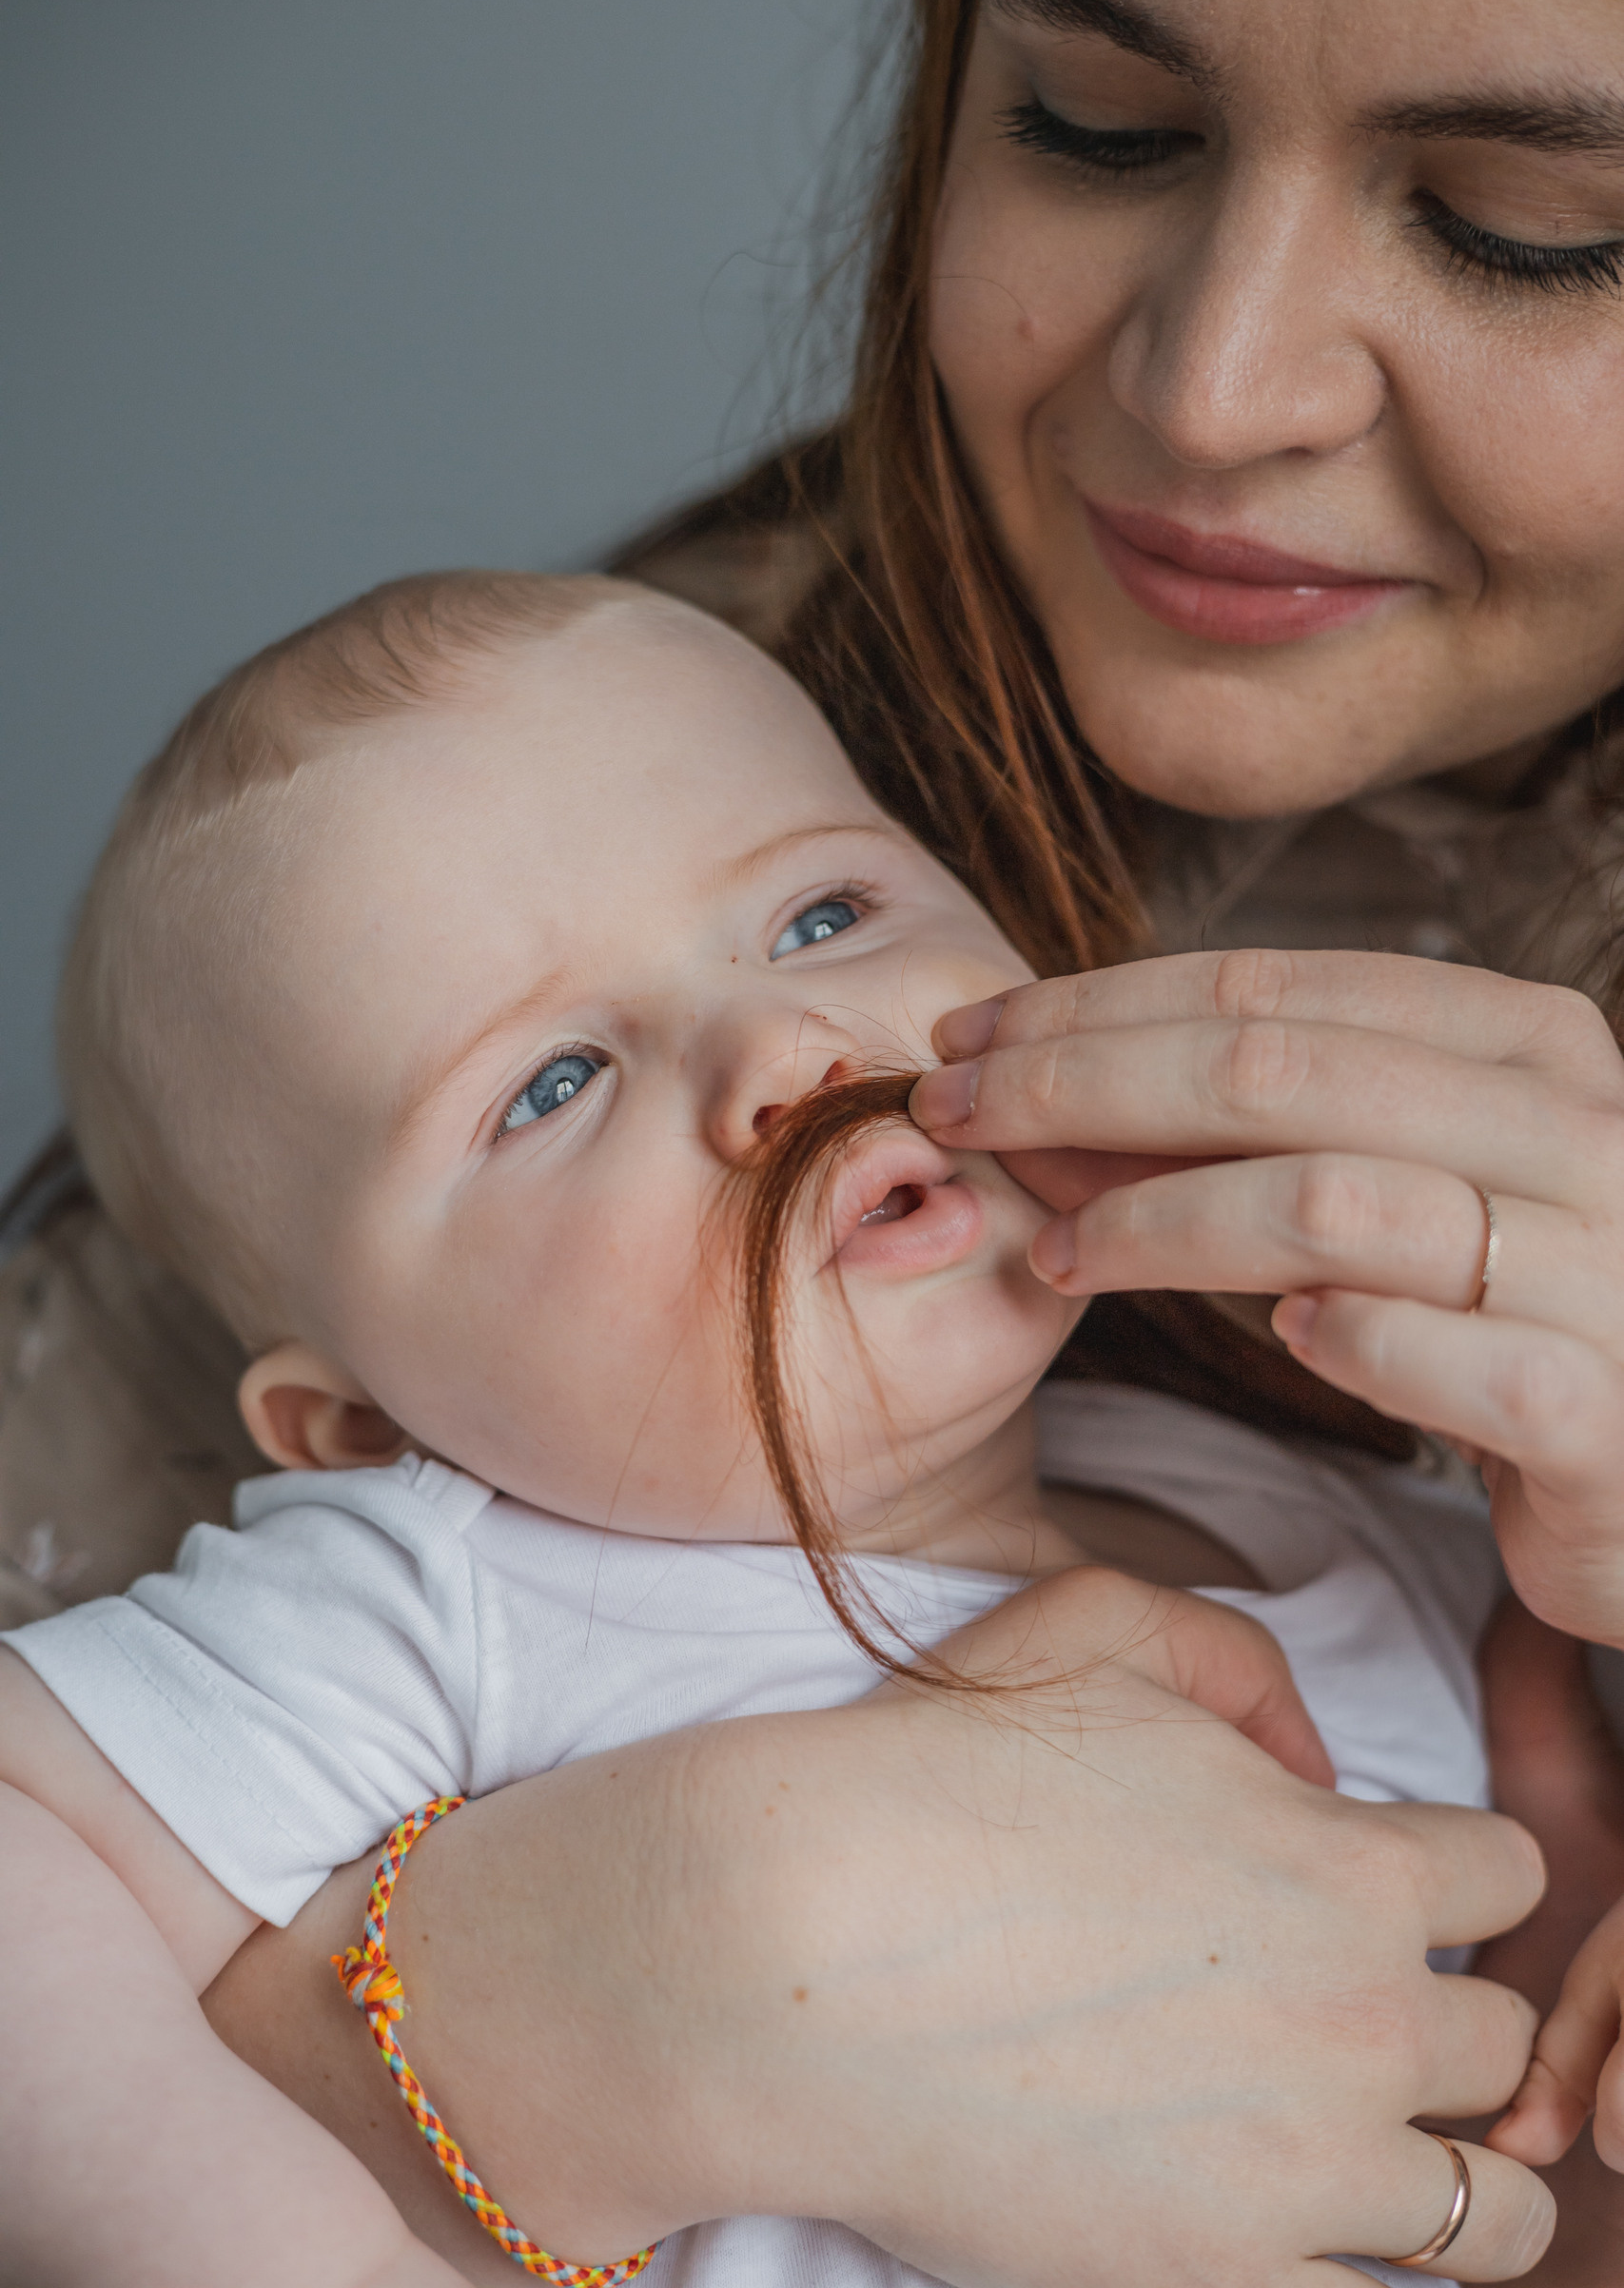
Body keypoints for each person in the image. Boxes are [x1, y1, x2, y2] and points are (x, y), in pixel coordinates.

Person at [5, 0, 1624, 2275]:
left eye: (1517, 223)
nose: (1204, 392)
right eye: (1090, 119)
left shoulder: (1344, 1547)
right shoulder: (444, 1573)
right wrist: (518, 2045)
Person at [0, 569, 1563, 2287]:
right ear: (366, 1420)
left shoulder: (1322, 1502)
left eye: (822, 915)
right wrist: (284, 2244)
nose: (783, 1043)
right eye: (554, 1083)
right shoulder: (455, 1590)